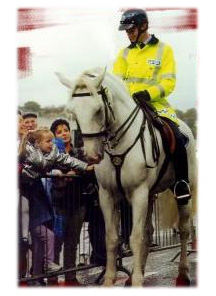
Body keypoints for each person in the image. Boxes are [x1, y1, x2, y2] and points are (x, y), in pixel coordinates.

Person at [113, 8, 191, 203]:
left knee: (177, 135)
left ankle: (181, 182)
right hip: (129, 107)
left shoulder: (164, 50)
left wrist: (148, 93)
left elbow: (168, 83)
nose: (128, 34)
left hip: (155, 105)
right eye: (127, 31)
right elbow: (116, 81)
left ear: (143, 26)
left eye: (131, 30)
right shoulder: (123, 54)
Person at [19, 127, 92, 286]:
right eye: (48, 141)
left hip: (36, 192)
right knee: (44, 237)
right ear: (37, 143)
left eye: (52, 141)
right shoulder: (30, 150)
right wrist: (55, 157)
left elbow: (67, 160)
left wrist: (85, 167)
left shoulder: (46, 152)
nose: (52, 144)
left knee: (42, 242)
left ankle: (38, 276)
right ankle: (42, 269)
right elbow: (41, 163)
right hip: (25, 193)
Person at [49, 119, 106, 286]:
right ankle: (52, 279)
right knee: (57, 243)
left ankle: (70, 277)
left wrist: (78, 170)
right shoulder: (52, 154)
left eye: (65, 130)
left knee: (72, 243)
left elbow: (90, 168)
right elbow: (53, 175)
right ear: (54, 135)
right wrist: (70, 174)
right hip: (59, 204)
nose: (64, 133)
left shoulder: (79, 152)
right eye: (59, 132)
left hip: (79, 202)